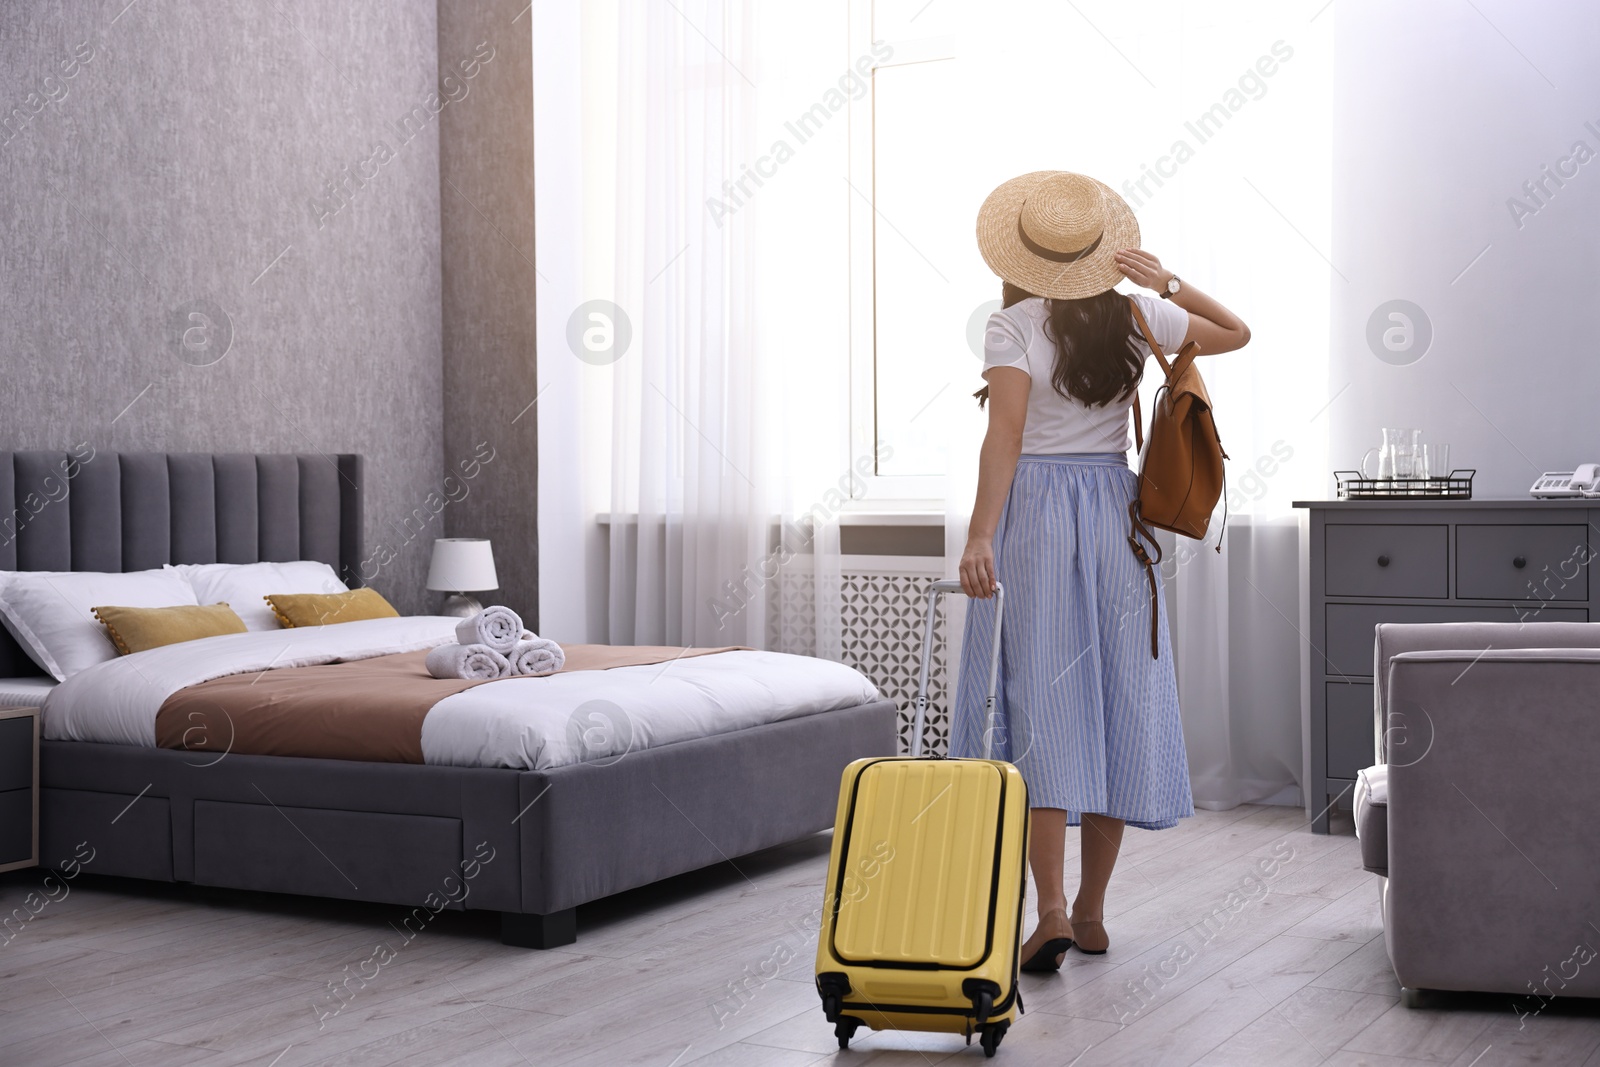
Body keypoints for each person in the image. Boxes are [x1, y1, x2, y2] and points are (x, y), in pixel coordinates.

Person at [952, 171, 1250, 972]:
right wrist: (1169, 280)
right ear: (1096, 253)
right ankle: (1089, 913)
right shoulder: (1138, 313)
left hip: (1038, 517)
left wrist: (982, 535)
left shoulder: (1010, 325)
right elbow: (1237, 333)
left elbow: (1003, 441)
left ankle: (1046, 907)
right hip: (1118, 516)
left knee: (1045, 705)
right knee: (1119, 697)